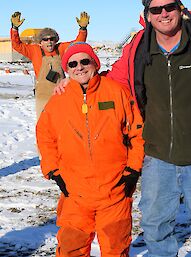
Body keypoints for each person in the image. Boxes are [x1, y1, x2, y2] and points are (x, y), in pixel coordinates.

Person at [54, 0, 191, 256]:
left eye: (169, 6)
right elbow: (115, 82)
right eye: (156, 9)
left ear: (180, 8)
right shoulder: (138, 49)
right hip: (156, 154)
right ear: (147, 15)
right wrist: (78, 80)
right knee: (155, 226)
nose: (163, 13)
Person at [36, 42, 144, 257]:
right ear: (67, 69)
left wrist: (133, 169)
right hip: (75, 192)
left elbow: (137, 133)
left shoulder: (116, 92)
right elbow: (45, 136)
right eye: (73, 63)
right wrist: (53, 171)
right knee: (70, 248)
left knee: (116, 247)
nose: (79, 67)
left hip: (114, 190)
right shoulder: (59, 99)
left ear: (95, 63)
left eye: (85, 61)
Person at [10, 11, 90, 118]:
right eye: (45, 39)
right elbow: (17, 45)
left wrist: (83, 29)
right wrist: (14, 28)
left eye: (52, 39)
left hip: (61, 92)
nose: (49, 42)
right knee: (44, 122)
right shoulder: (34, 51)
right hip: (42, 95)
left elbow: (78, 43)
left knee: (62, 121)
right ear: (40, 42)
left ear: (56, 40)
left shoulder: (61, 49)